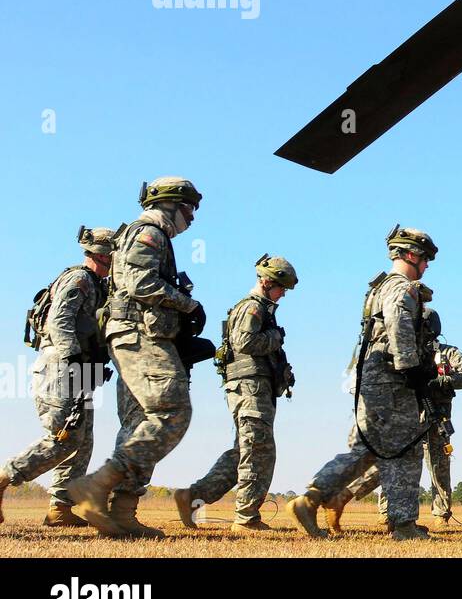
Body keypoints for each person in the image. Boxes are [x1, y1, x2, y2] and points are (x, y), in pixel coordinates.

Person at [68, 177, 206, 538]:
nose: (192, 218)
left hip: (140, 335)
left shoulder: (150, 235)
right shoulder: (150, 233)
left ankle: (122, 512)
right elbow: (141, 284)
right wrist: (187, 303)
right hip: (138, 334)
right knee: (172, 412)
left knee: (143, 423)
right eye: (189, 209)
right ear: (172, 204)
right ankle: (97, 485)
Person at [287, 225, 436, 541]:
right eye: (425, 260)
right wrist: (411, 368)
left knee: (367, 450)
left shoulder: (378, 288)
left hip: (371, 378)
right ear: (411, 254)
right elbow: (397, 324)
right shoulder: (402, 289)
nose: (426, 267)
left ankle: (311, 498)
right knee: (405, 451)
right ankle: (405, 526)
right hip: (393, 380)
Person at [0, 227, 114, 528]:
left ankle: (60, 508)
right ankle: (5, 476)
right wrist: (74, 356)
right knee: (62, 439)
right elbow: (59, 321)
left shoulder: (98, 285)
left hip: (80, 372)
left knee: (82, 441)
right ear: (103, 255)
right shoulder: (78, 280)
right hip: (60, 368)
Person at [175, 255, 299, 532]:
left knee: (244, 450)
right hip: (249, 387)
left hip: (256, 387)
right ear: (267, 282)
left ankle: (192, 497)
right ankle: (246, 517)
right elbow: (244, 342)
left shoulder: (263, 309)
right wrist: (276, 338)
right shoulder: (252, 308)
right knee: (258, 450)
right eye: (281, 288)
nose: (283, 294)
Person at [320, 311, 462, 533]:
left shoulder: (448, 353)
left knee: (439, 467)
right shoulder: (406, 351)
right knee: (391, 464)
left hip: (436, 418)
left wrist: (440, 381)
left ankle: (440, 514)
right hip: (407, 416)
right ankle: (386, 513)